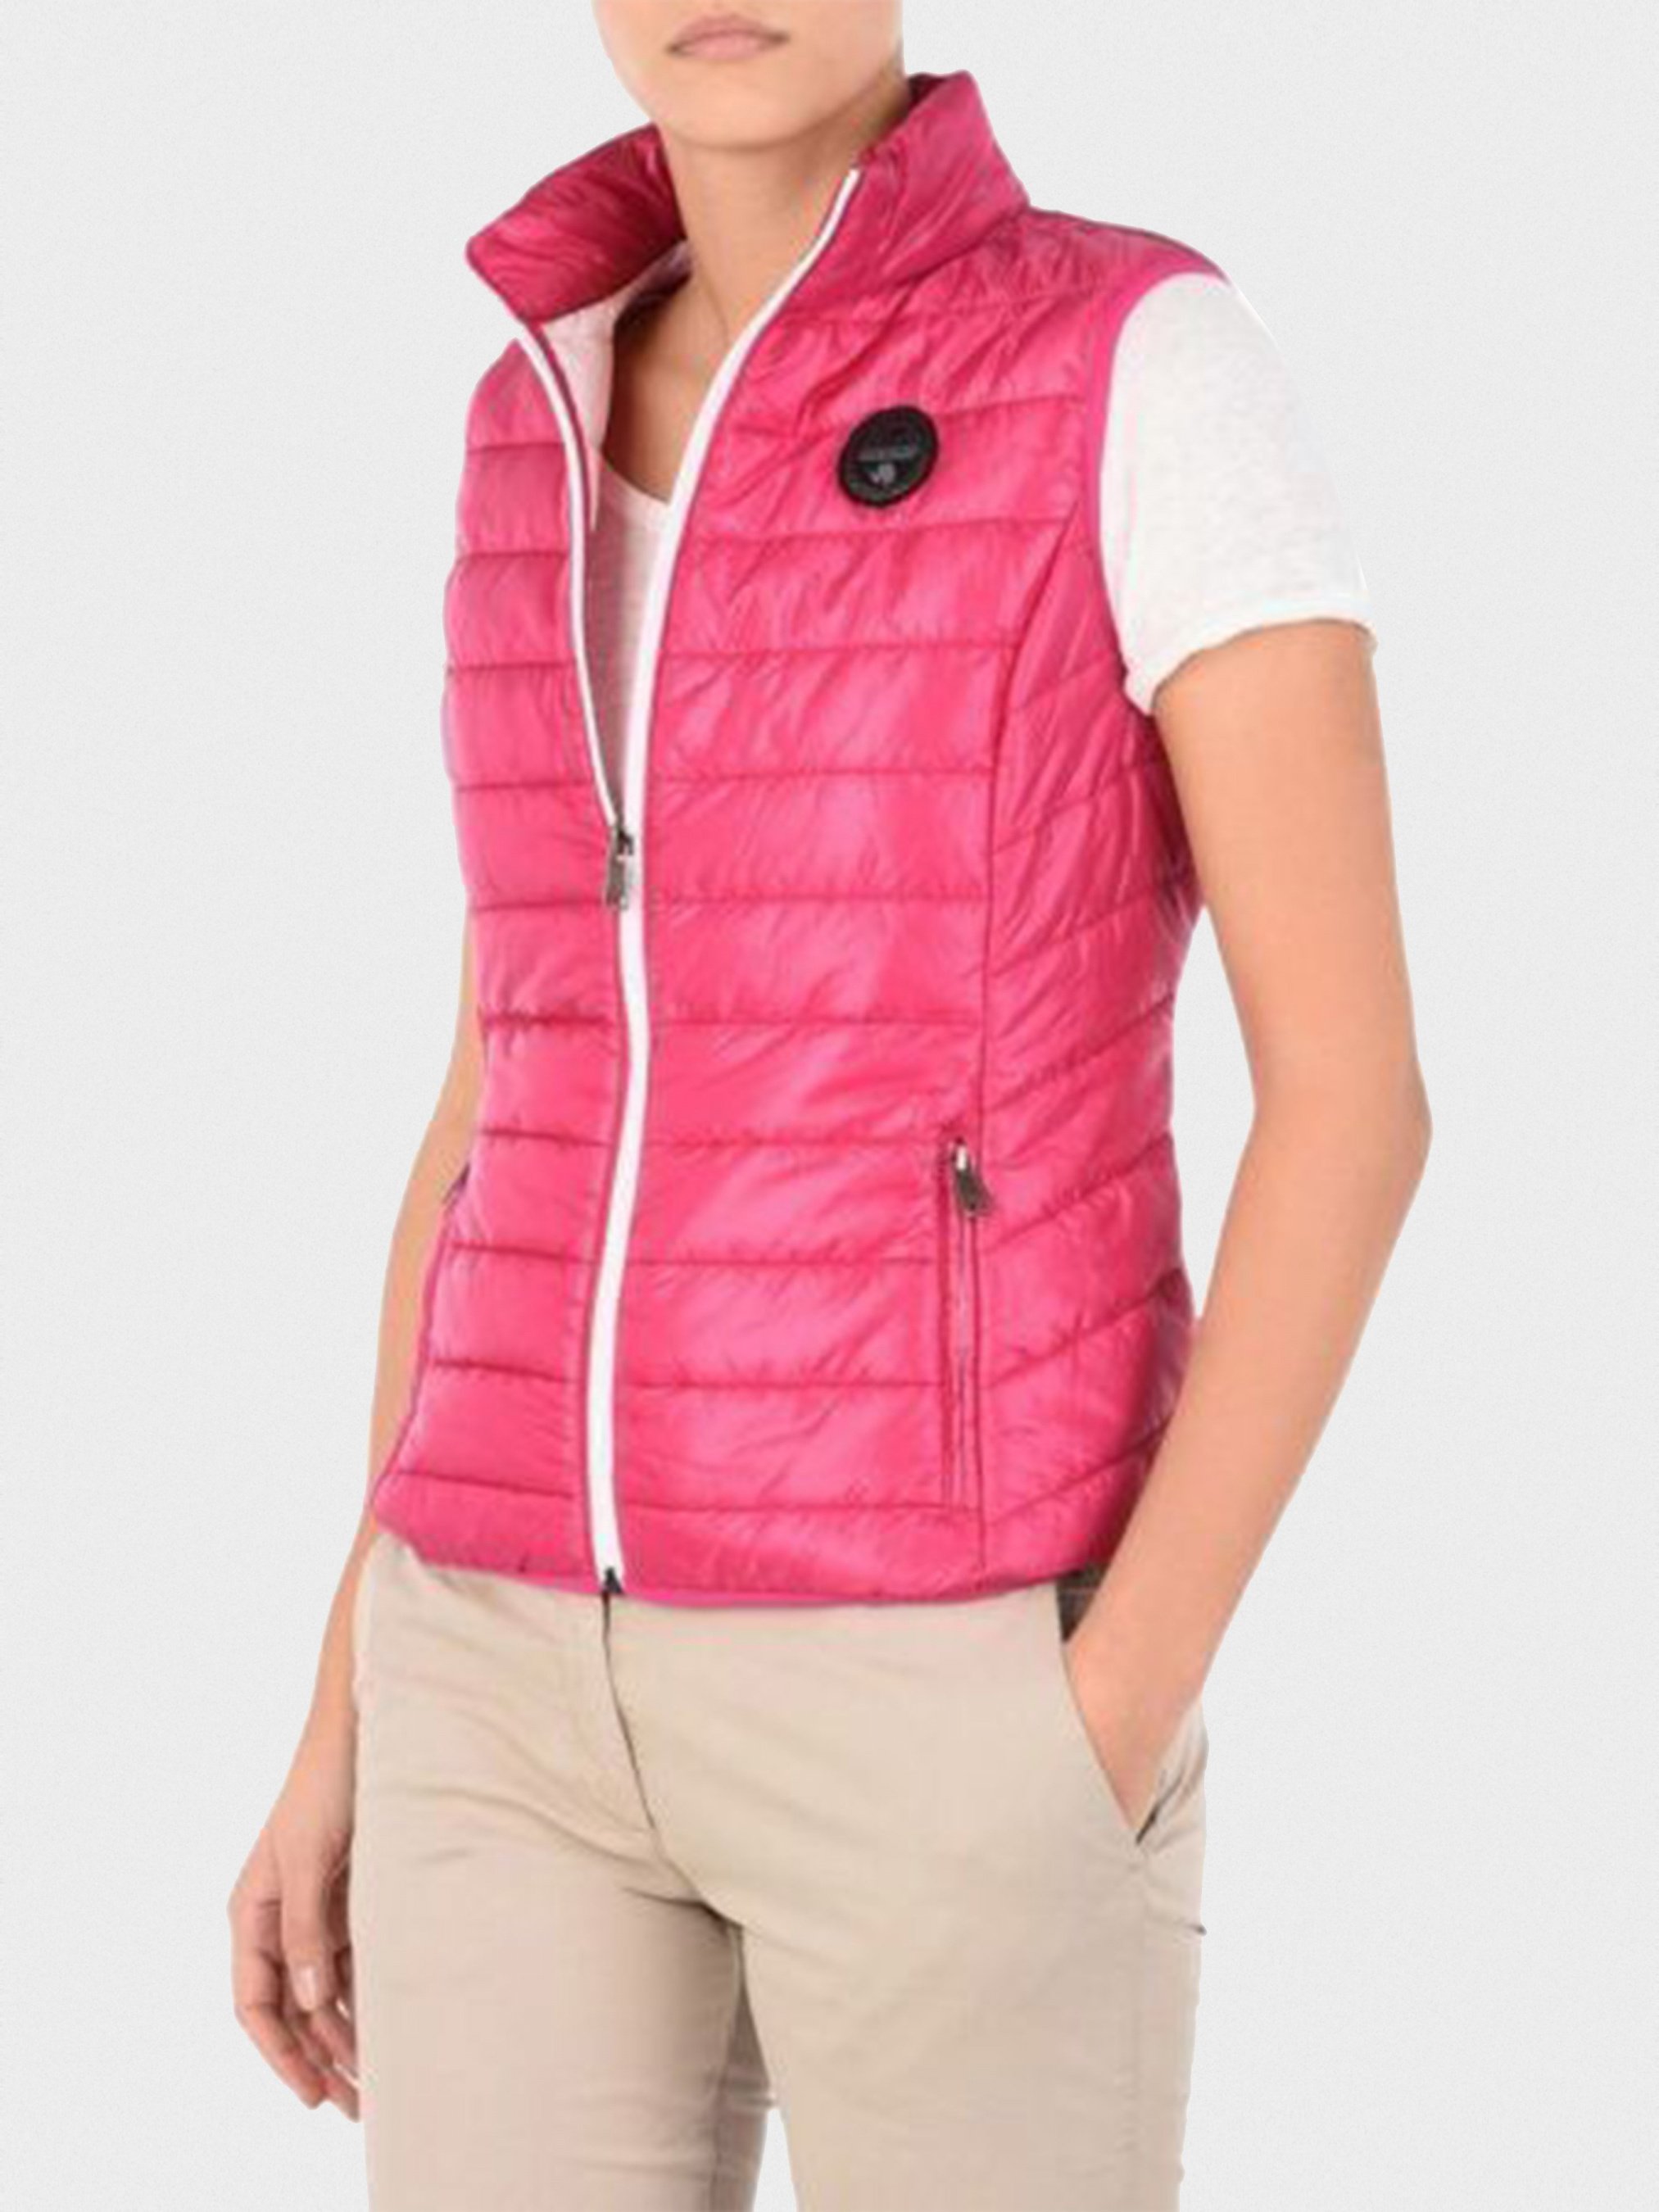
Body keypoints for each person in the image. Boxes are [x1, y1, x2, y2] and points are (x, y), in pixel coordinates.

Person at [228, 7, 1431, 2206]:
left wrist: (1100, 1714)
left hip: (941, 1686)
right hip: (490, 1685)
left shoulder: (1133, 363)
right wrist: (348, 1691)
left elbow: (1352, 1098)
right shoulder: (531, 405)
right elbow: (508, 1089)